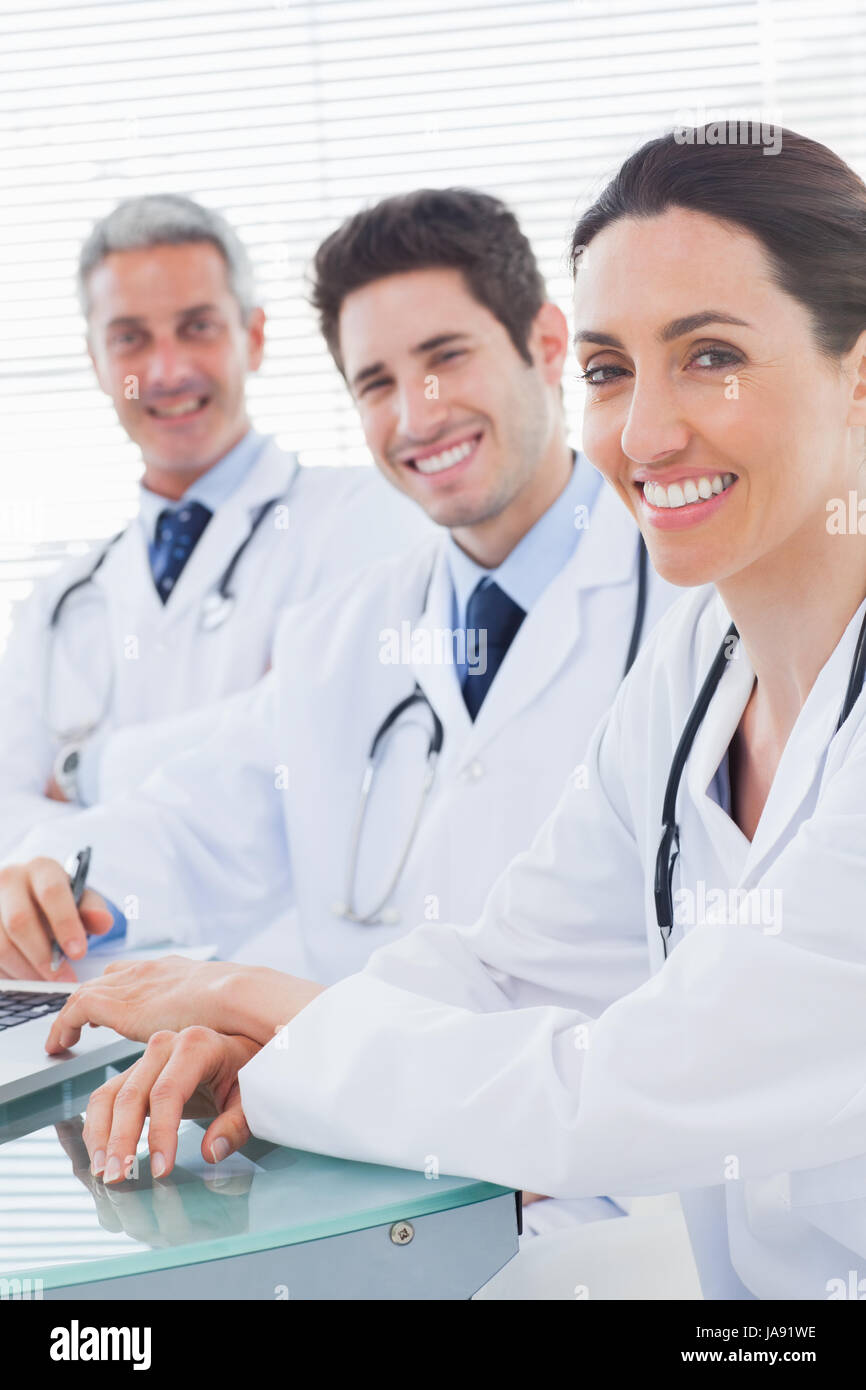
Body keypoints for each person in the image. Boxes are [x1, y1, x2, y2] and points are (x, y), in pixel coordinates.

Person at [38, 125, 866, 1299]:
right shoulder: (697, 667)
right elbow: (513, 964)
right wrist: (263, 1047)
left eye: (711, 354)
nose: (641, 434)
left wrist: (252, 1001)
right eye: (610, 370)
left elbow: (609, 1090)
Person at [0, 188, 678, 1238]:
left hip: (633, 1208)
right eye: (376, 382)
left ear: (545, 342)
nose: (416, 413)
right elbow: (197, 814)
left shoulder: (684, 602)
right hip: (371, 1176)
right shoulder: (341, 635)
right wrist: (60, 874)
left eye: (445, 356)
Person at [0, 194, 428, 856]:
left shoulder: (365, 517)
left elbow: (313, 735)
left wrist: (85, 772)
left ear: (252, 338)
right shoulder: (57, 604)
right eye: (130, 338)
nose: (167, 372)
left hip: (289, 957)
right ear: (96, 363)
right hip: (94, 956)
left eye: (197, 326)